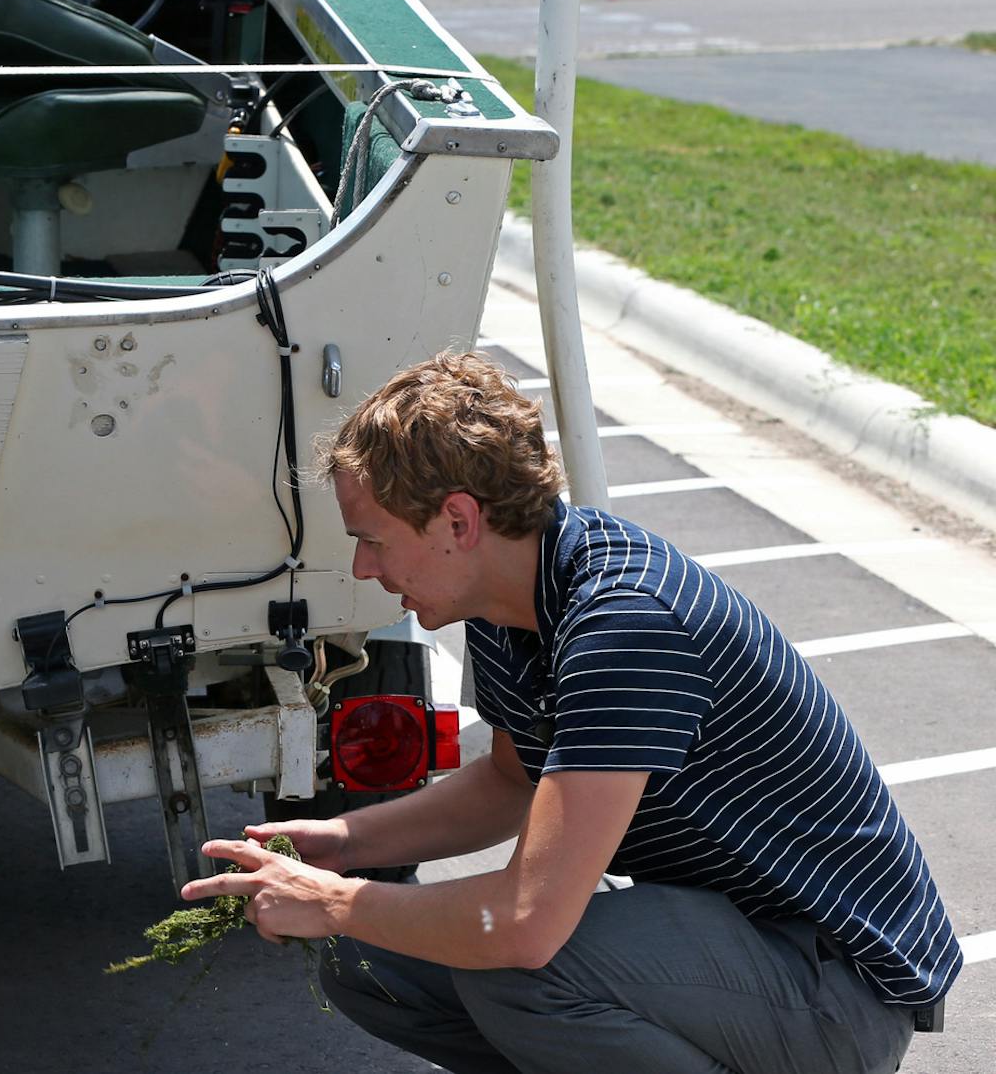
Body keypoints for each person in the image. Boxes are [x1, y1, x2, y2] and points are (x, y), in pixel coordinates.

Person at [183, 351, 960, 1074]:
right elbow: (509, 781)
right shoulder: (504, 598)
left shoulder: (626, 623)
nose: (362, 566)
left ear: (458, 522)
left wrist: (335, 900)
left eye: (374, 540)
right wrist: (344, 842)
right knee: (368, 964)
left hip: (838, 986)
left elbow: (524, 922)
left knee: (516, 971)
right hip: (733, 938)